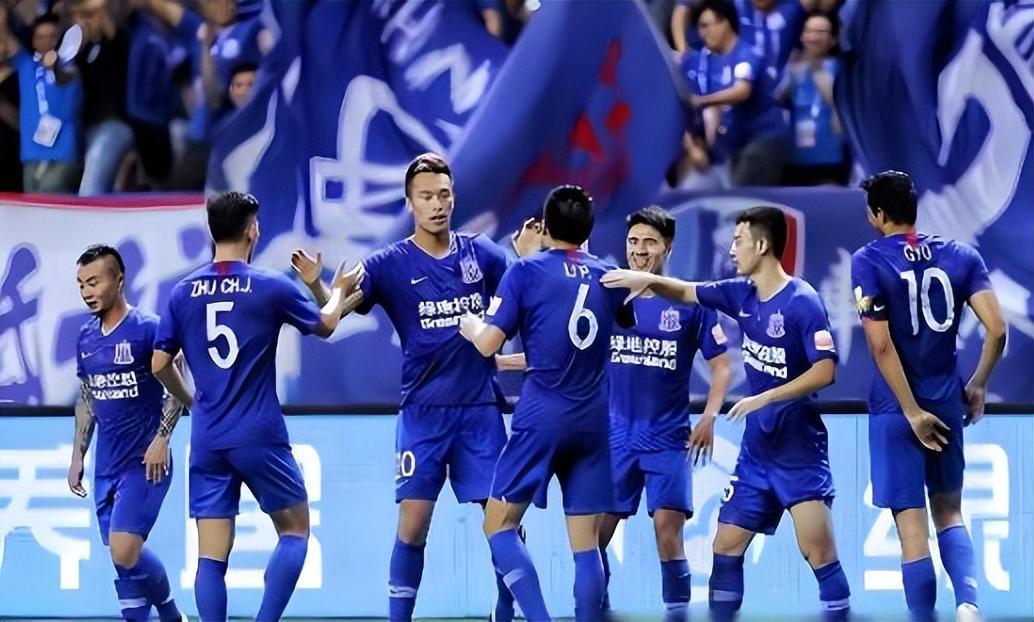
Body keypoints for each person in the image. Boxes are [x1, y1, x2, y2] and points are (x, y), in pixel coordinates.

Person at [291, 152, 538, 622]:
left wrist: (527, 259)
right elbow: (332, 317)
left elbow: (528, 297)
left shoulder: (482, 253)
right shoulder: (389, 263)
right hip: (423, 414)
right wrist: (319, 287)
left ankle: (506, 611)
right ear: (410, 202)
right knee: (413, 525)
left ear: (454, 197)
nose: (436, 204)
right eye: (426, 196)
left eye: (443, 194)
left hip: (480, 410)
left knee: (502, 523)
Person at [602, 205, 851, 621]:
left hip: (798, 452)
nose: (731, 250)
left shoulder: (803, 301)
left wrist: (765, 398)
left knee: (818, 551)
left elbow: (825, 369)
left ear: (762, 245)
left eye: (738, 241)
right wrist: (645, 280)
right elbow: (687, 291)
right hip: (756, 454)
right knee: (725, 546)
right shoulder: (740, 293)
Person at [152, 191, 360, 622]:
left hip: (208, 437)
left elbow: (159, 364)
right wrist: (335, 288)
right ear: (252, 230)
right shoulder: (269, 286)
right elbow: (326, 324)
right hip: (258, 433)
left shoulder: (183, 291)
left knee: (211, 558)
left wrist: (192, 401)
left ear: (212, 232)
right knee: (295, 530)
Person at [459, 184, 633, 622]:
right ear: (588, 228)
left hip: (541, 417)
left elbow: (489, 344)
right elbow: (620, 313)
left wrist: (471, 325)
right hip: (593, 421)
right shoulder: (609, 274)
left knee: (498, 525)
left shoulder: (525, 271)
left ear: (545, 225)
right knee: (586, 544)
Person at [851, 171, 1008, 622]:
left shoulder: (868, 261)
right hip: (945, 400)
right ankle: (968, 605)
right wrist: (978, 383)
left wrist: (910, 410)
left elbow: (881, 346)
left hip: (895, 409)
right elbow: (998, 330)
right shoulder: (961, 255)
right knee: (950, 512)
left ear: (878, 215)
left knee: (912, 529)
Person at [598, 206, 732, 620]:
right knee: (593, 538)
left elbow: (722, 366)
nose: (639, 251)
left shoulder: (690, 302)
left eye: (650, 243)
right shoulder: (607, 294)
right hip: (614, 437)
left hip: (667, 439)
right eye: (633, 241)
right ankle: (595, 610)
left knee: (667, 533)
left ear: (668, 247)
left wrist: (709, 417)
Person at [70, 244, 185, 622]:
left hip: (145, 462)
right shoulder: (86, 337)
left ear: (118, 280)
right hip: (107, 464)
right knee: (123, 562)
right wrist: (77, 455)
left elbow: (177, 386)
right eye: (81, 284)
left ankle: (170, 612)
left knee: (124, 549)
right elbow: (87, 396)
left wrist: (163, 438)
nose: (87, 292)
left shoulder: (149, 328)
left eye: (94, 282)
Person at [682, 0, 789, 186]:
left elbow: (742, 91)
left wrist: (702, 100)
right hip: (735, 144)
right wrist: (701, 147)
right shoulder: (713, 63)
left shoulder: (747, 54)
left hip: (762, 137)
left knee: (742, 194)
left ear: (725, 23)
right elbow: (715, 110)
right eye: (700, 27)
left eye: (706, 26)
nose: (702, 34)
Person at [0, 11, 82, 192]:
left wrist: (55, 66)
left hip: (62, 156)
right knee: (33, 207)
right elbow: (7, 38)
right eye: (41, 37)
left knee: (50, 196)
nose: (47, 42)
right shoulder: (27, 66)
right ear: (34, 41)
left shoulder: (70, 70)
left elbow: (63, 79)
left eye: (52, 36)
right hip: (31, 156)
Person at [779, 10, 849, 185]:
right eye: (808, 31)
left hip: (830, 159)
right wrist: (792, 71)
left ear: (833, 39)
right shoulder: (793, 66)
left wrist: (815, 66)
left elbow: (835, 100)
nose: (813, 37)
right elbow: (778, 99)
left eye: (820, 32)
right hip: (793, 159)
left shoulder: (840, 67)